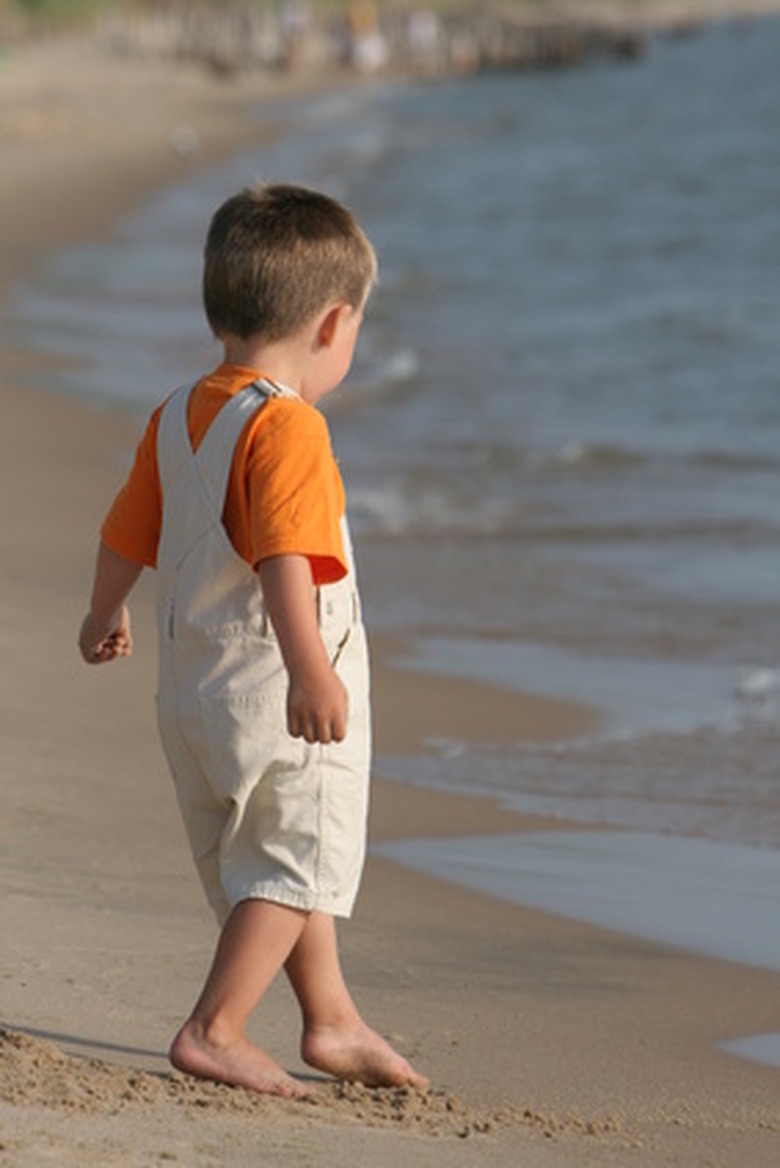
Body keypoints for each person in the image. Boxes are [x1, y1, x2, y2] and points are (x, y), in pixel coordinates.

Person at [78, 182, 426, 1098]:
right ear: (333, 325)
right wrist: (313, 673)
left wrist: (101, 612)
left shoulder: (178, 416)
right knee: (294, 855)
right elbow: (284, 563)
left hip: (192, 695)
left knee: (280, 855)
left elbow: (126, 536)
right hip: (276, 691)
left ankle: (332, 1017)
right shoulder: (291, 428)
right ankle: (215, 1027)